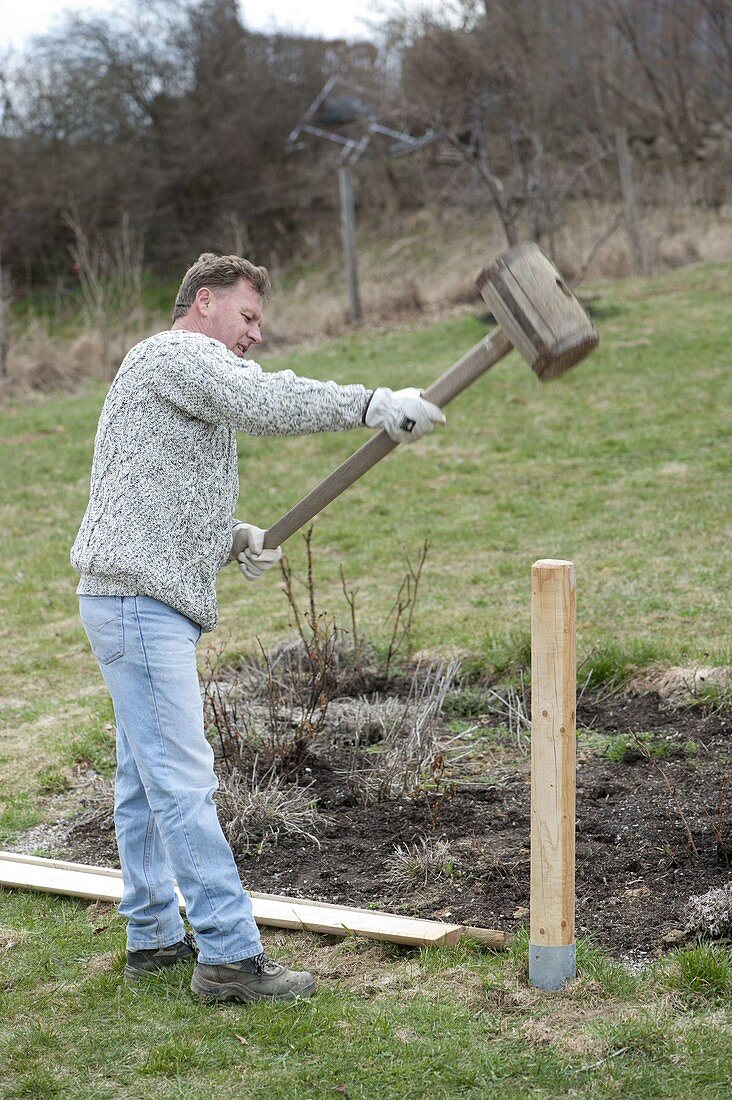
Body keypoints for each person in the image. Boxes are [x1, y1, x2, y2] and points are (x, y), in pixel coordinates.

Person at [70, 252, 446, 1004]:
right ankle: (231, 958)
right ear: (203, 303)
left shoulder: (166, 374)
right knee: (182, 780)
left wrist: (228, 535)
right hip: (140, 607)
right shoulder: (176, 352)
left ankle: (152, 937)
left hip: (132, 600)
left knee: (145, 782)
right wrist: (371, 402)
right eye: (248, 317)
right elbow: (267, 402)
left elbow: (152, 480)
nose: (255, 336)